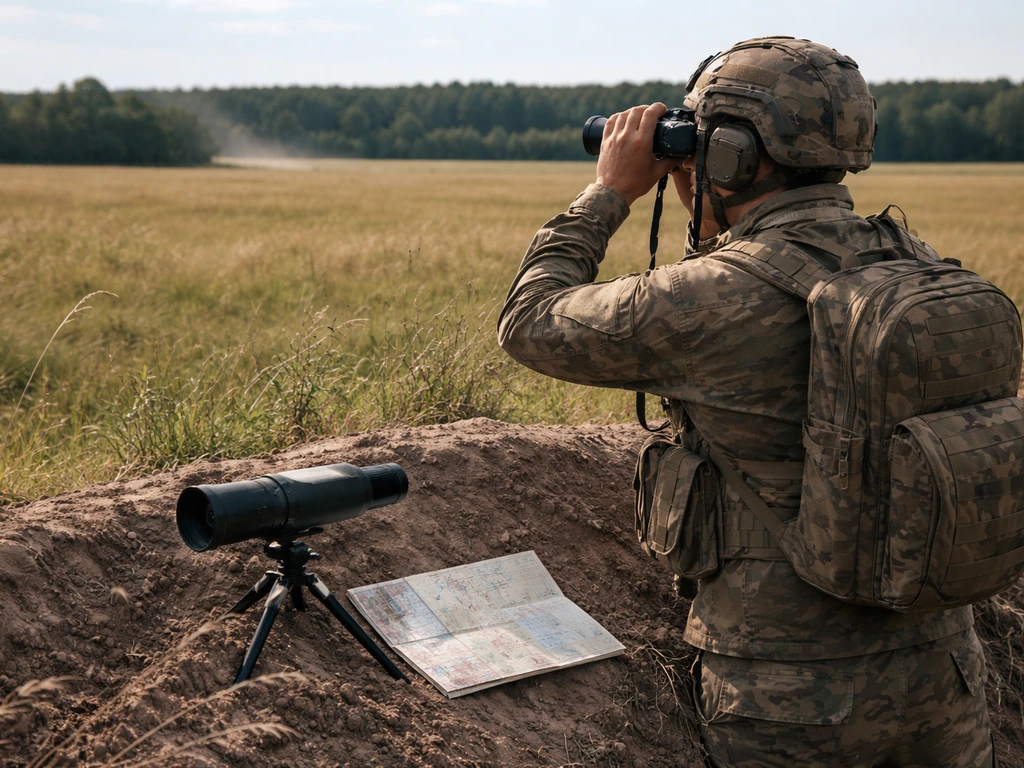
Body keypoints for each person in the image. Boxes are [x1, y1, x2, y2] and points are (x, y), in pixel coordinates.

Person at [498, 37, 995, 767]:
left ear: (730, 154)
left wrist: (609, 190)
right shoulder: (912, 261)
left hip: (789, 700)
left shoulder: (712, 299)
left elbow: (530, 320)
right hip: (944, 675)